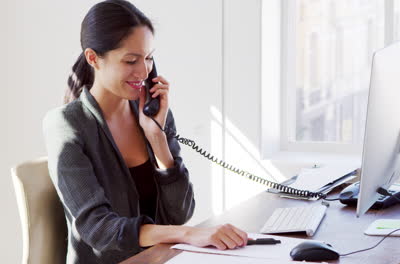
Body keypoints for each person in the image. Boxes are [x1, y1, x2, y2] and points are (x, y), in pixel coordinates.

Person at [42, 1, 248, 263]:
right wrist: (188, 234)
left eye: (149, 58)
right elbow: (99, 229)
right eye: (131, 60)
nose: (143, 72)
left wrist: (157, 139)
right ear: (93, 58)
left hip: (160, 258)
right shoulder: (65, 124)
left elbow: (180, 212)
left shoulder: (152, 113)